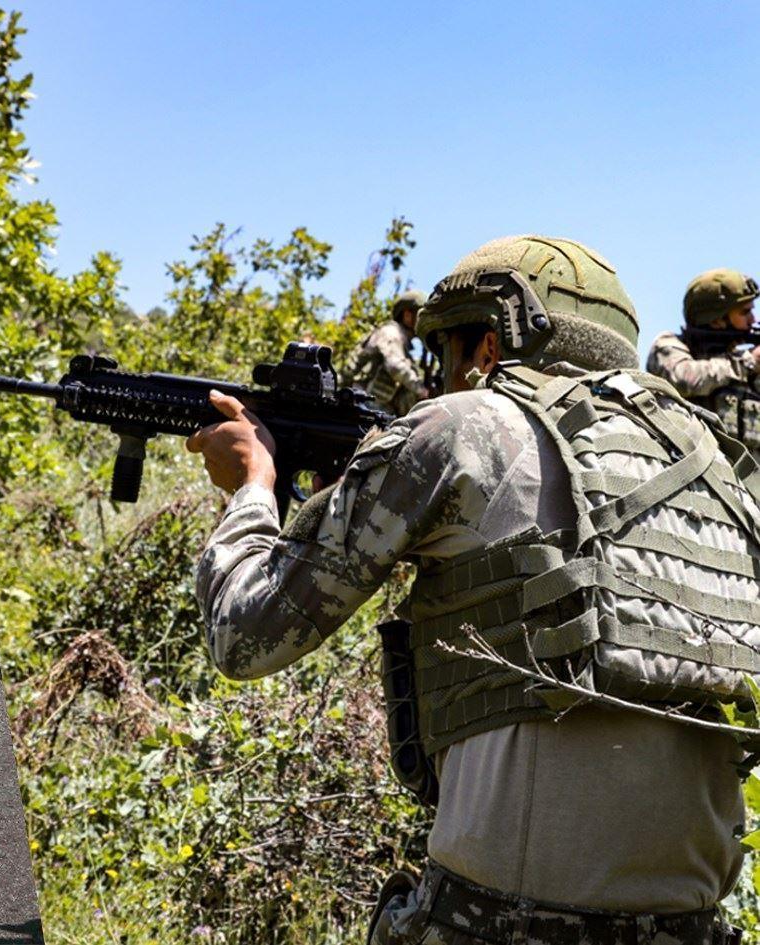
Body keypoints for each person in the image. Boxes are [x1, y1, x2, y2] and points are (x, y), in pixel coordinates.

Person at [188, 235, 754, 944]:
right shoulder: (722, 472)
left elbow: (244, 633)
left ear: (487, 348)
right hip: (698, 928)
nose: (443, 379)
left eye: (448, 354)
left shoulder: (466, 425)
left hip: (500, 923)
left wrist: (253, 485)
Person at [647, 268, 760, 451]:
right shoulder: (669, 346)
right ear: (716, 320)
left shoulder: (739, 362)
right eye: (744, 312)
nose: (753, 319)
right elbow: (682, 379)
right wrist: (748, 362)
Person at [341, 289, 432, 415]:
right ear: (407, 315)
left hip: (375, 405)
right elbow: (395, 367)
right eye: (420, 314)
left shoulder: (403, 343)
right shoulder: (391, 333)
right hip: (364, 402)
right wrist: (421, 390)